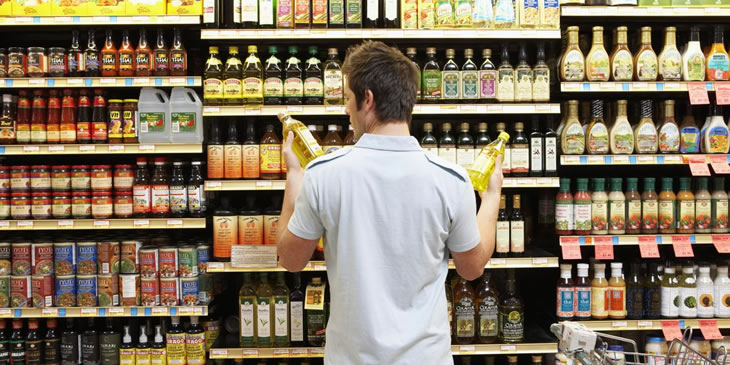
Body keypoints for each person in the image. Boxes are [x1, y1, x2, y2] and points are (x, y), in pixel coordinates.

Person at [276, 41, 502, 365]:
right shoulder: (451, 180)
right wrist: (492, 197)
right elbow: (471, 267)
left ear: (367, 99)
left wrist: (294, 176)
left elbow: (290, 258)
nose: (345, 109)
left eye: (348, 99)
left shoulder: (324, 175)